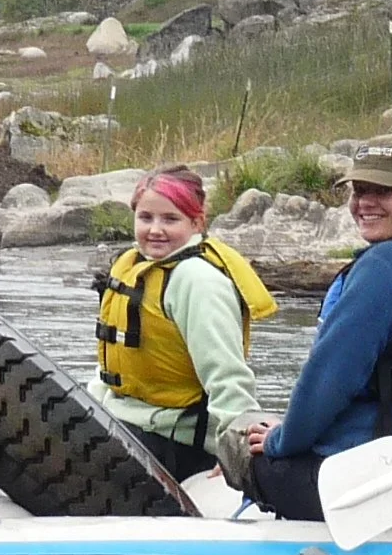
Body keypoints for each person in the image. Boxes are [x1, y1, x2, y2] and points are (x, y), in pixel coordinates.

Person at [214, 136, 392, 523]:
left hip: (380, 487)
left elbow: (329, 379)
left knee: (237, 438)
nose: (365, 202)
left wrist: (280, 440)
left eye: (383, 191)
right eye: (359, 190)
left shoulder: (388, 265)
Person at [89, 165, 278, 480]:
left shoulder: (198, 280)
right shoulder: (133, 264)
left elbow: (227, 374)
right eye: (146, 218)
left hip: (175, 443)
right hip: (124, 418)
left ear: (197, 222)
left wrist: (233, 447)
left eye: (170, 219)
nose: (155, 229)